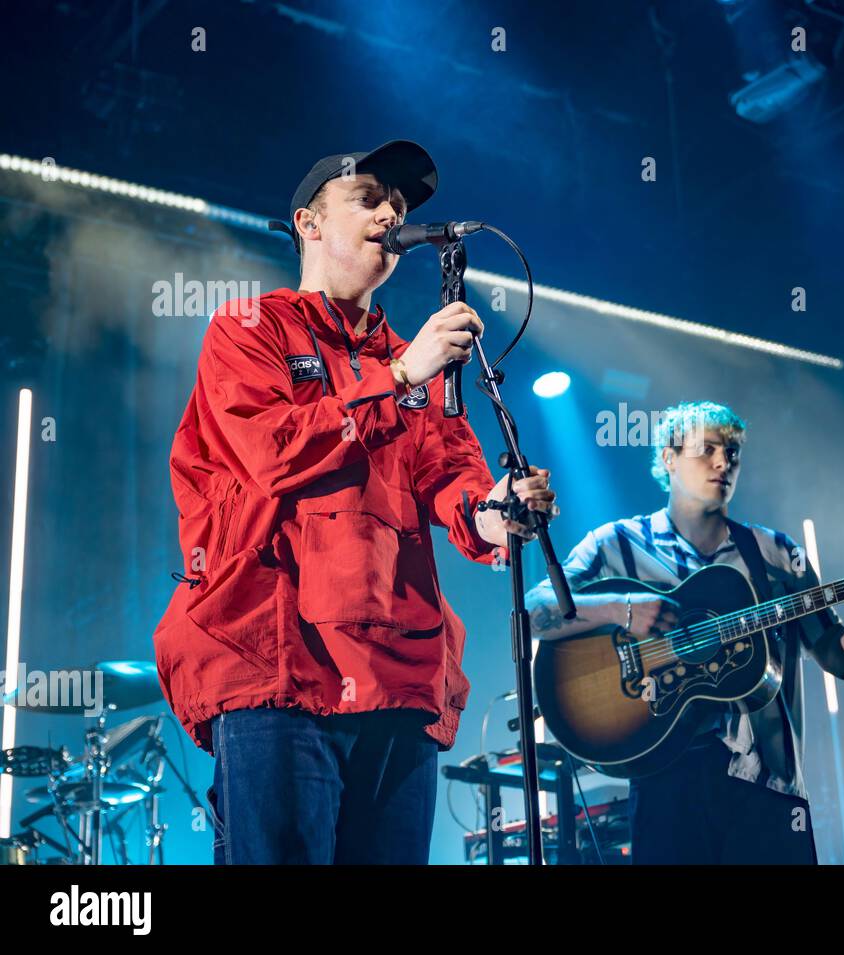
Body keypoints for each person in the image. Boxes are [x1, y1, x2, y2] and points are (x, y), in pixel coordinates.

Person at [152, 140, 556, 864]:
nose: (391, 213)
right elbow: (275, 451)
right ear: (308, 223)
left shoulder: (416, 362)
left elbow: (454, 488)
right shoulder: (250, 330)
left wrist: (499, 508)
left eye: (398, 205)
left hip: (398, 677)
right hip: (277, 667)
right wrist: (402, 373)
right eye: (369, 198)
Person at [524, 400, 844, 864]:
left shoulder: (774, 553)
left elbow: (839, 660)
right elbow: (534, 610)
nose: (722, 462)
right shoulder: (617, 544)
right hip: (663, 784)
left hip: (770, 786)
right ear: (669, 458)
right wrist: (623, 609)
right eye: (706, 449)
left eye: (731, 452)